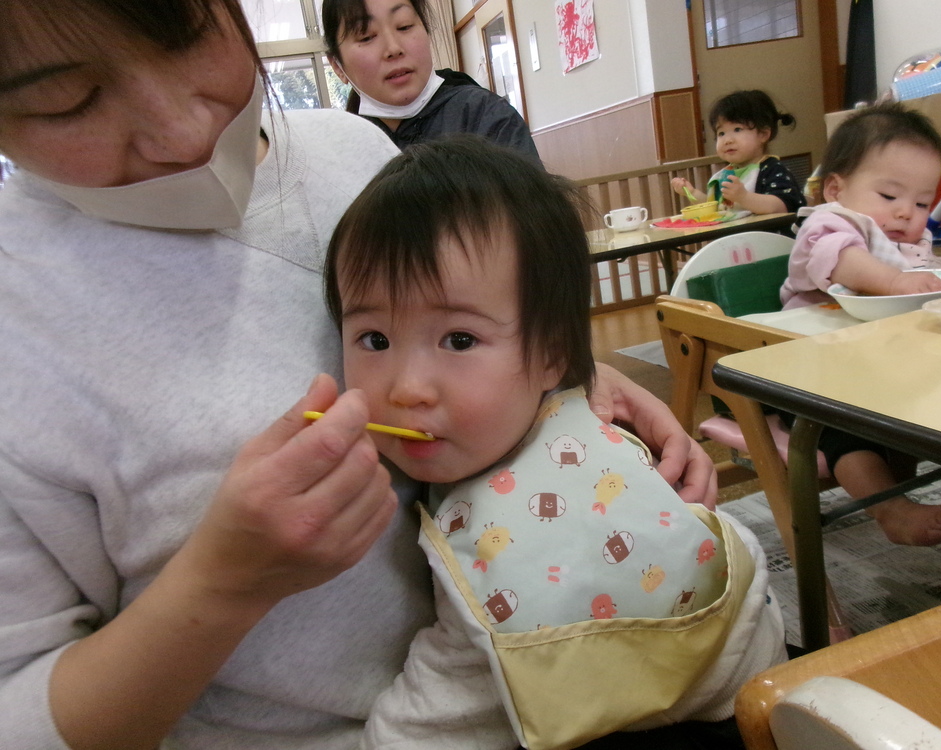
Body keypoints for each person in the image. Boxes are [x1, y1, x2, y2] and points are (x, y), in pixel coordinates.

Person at [0, 1, 718, 747]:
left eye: (187, 36)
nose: (182, 132)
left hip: (569, 673)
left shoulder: (355, 149)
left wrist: (564, 377)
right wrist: (221, 586)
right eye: (68, 99)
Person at [323, 135, 787, 749]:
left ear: (552, 357)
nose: (407, 389)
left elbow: (436, 719)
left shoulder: (490, 541)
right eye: (374, 340)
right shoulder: (587, 424)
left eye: (459, 340)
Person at [779, 100, 941, 547]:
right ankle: (890, 509)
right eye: (889, 196)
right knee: (842, 431)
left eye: (922, 201)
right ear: (835, 189)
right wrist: (893, 280)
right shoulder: (830, 226)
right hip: (813, 377)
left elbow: (933, 269)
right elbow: (843, 262)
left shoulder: (906, 240)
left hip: (885, 371)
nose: (907, 212)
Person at [323, 0, 541, 163]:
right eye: (366, 36)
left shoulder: (485, 117)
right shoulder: (344, 153)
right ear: (337, 67)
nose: (393, 48)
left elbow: (535, 216)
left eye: (404, 26)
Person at [671, 89, 805, 216]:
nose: (727, 140)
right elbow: (716, 209)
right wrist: (692, 192)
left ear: (763, 134)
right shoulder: (723, 176)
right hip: (735, 239)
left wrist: (744, 197)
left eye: (737, 130)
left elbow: (781, 206)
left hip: (769, 238)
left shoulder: (773, 170)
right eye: (721, 133)